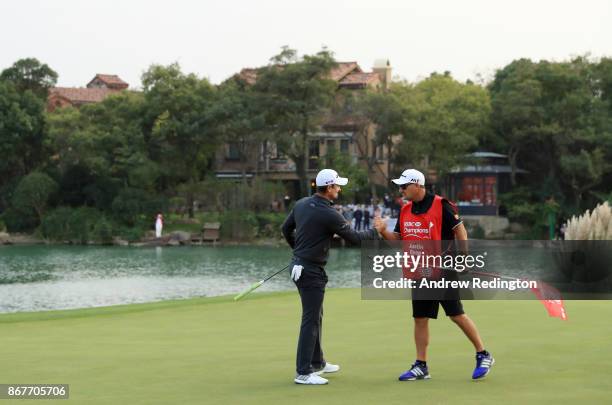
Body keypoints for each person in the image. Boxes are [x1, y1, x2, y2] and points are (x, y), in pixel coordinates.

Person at [373, 169, 494, 381]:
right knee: (420, 318)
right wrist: (383, 231)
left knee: (455, 314)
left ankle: (483, 354)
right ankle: (421, 366)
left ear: (417, 185)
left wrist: (463, 257)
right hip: (419, 272)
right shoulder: (405, 210)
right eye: (400, 186)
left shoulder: (442, 205)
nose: (401, 189)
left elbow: (461, 231)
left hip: (443, 270)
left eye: (404, 186)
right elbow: (399, 241)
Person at [282, 169, 381, 385]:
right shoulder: (329, 213)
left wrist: (297, 250)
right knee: (310, 319)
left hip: (300, 266)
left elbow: (286, 228)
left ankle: (317, 362)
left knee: (316, 315)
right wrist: (376, 230)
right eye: (337, 186)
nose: (339, 189)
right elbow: (355, 238)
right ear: (328, 188)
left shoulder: (301, 204)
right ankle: (303, 372)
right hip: (309, 271)